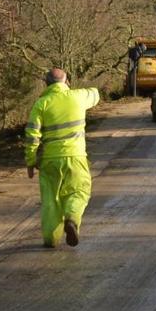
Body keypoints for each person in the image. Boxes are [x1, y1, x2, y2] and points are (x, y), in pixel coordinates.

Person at [25, 68, 101, 248]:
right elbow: (95, 93)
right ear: (66, 81)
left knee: (51, 199)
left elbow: (32, 135)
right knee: (79, 191)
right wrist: (71, 89)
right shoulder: (78, 97)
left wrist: (30, 161)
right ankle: (72, 219)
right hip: (76, 157)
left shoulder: (41, 104)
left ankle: (51, 239)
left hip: (50, 160)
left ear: (46, 83)